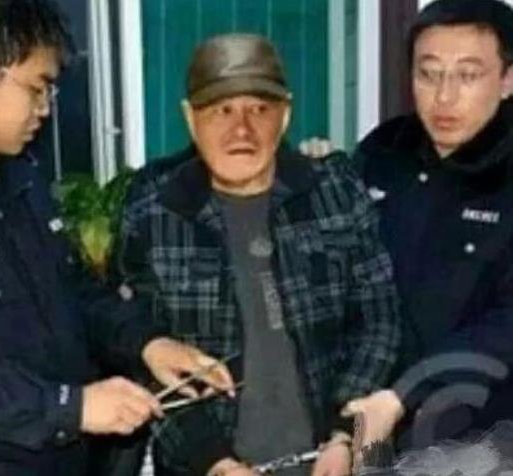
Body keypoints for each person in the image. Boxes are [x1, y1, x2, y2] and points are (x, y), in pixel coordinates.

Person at [0, 1, 234, 475]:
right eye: (36, 88)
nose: (46, 109)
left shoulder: (17, 171)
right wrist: (71, 407)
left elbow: (74, 289)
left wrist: (147, 344)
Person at [113, 33, 401, 476]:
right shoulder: (153, 213)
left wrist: (346, 434)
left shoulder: (336, 195)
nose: (242, 130)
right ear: (190, 118)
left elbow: (379, 321)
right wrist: (212, 461)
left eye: (260, 109)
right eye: (221, 110)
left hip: (333, 459)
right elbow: (142, 352)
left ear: (285, 115)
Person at [341, 0, 513, 454]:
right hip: (369, 419)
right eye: (429, 73)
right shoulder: (383, 153)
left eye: (467, 75)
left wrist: (406, 393)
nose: (444, 96)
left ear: (508, 79)